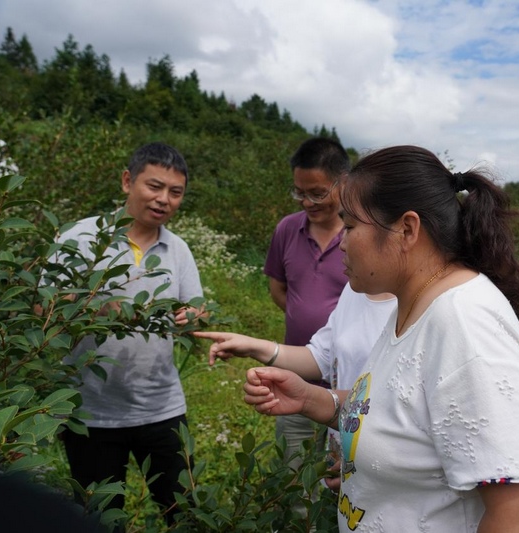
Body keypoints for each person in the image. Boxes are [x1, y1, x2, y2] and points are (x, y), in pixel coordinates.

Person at [242, 145, 519, 532]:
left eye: (351, 227)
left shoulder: (464, 324)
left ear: (407, 229)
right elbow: (396, 412)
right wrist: (312, 399)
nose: (342, 242)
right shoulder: (413, 305)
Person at [58, 142, 204, 524]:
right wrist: (95, 307)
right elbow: (44, 308)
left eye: (175, 192)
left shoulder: (178, 249)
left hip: (162, 407)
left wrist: (191, 316)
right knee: (99, 517)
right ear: (127, 181)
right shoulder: (80, 237)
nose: (164, 199)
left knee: (184, 513)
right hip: (90, 412)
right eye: (154, 186)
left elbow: (196, 307)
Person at [194, 283, 396, 491]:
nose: (340, 252)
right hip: (342, 463)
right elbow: (322, 356)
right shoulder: (354, 290)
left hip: (379, 476)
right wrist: (254, 347)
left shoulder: (413, 311)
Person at [264, 137, 351, 467]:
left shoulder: (361, 236)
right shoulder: (287, 229)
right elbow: (278, 289)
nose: (307, 202)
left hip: (348, 388)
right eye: (300, 192)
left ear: (343, 183)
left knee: (340, 477)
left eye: (317, 193)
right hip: (295, 381)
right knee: (292, 473)